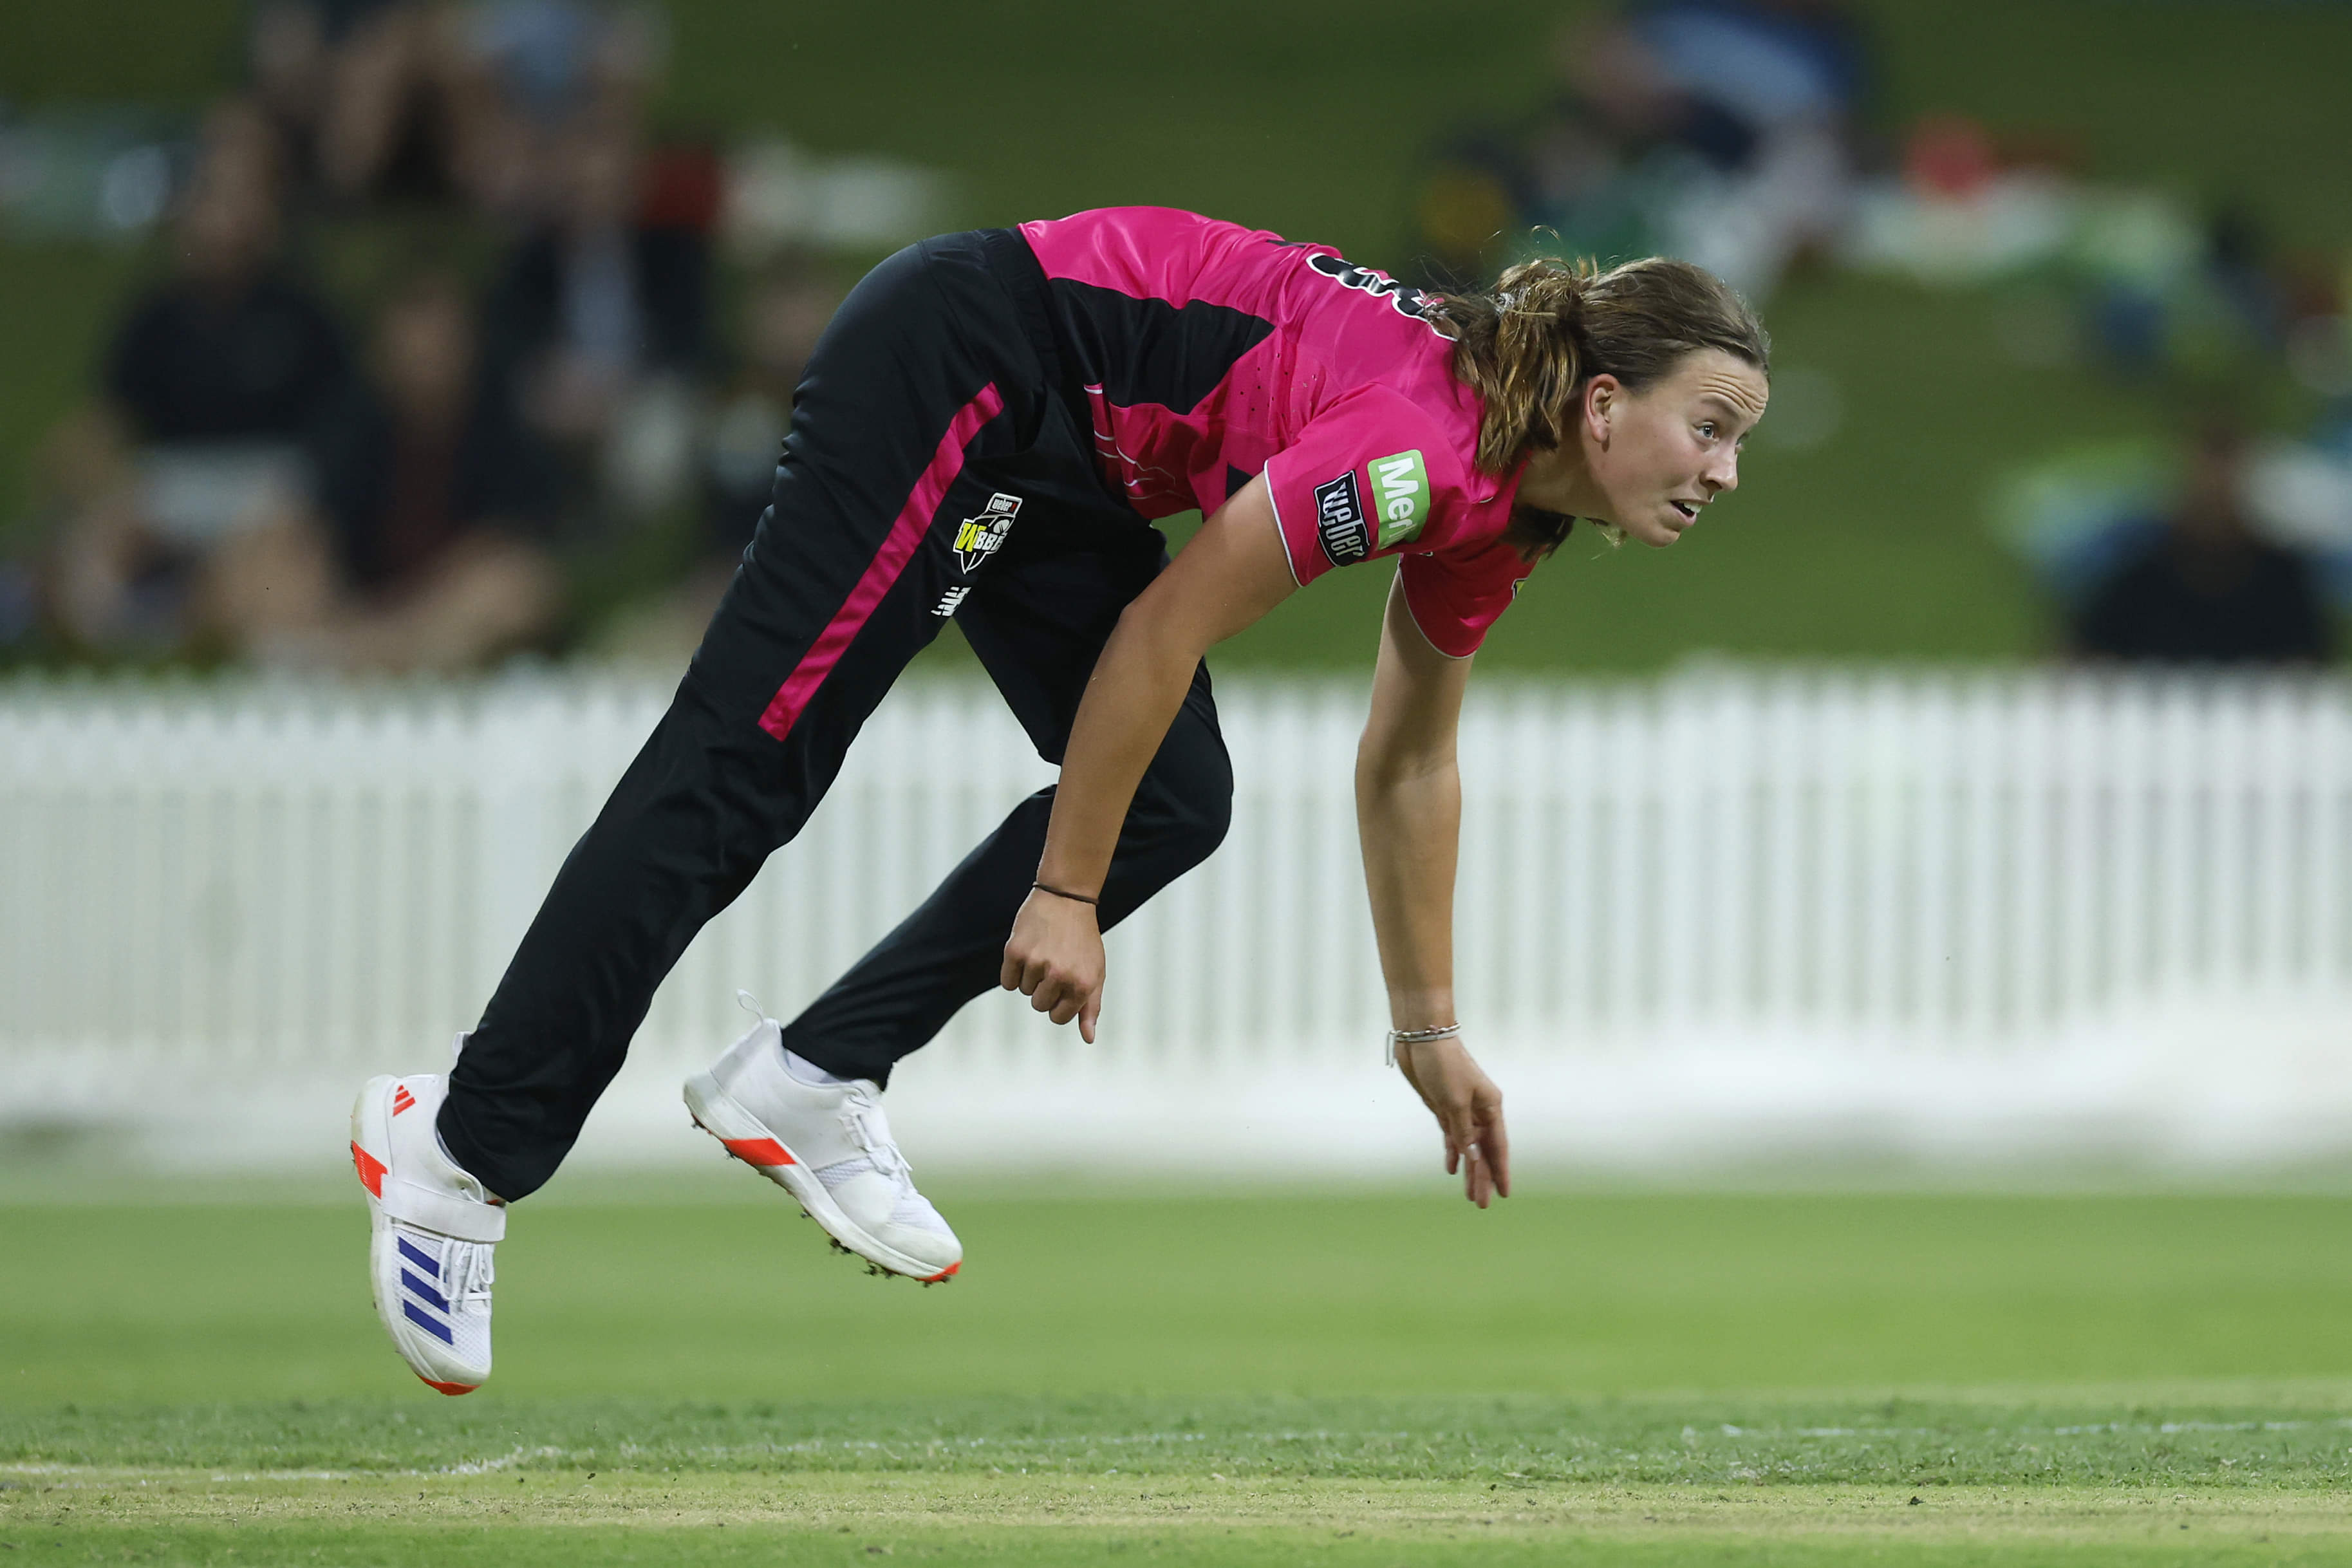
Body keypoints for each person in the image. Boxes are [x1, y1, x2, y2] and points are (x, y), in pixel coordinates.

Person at [349, 207, 1770, 1395]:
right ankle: (457, 1150)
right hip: (965, 356)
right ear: (1601, 404)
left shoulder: (1498, 503)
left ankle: (811, 1073)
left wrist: (1428, 1030)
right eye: (1710, 428)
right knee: (748, 760)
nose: (1724, 472)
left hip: (1057, 446)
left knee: (1176, 794)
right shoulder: (1412, 454)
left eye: (1738, 443)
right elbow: (1166, 628)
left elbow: (1407, 760)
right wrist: (1063, 892)